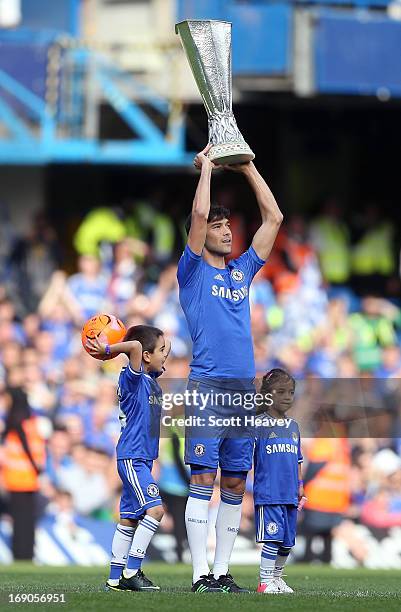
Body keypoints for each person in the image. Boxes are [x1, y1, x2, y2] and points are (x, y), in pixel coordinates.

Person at [177, 144, 283, 593]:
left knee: (236, 483)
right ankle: (200, 573)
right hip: (207, 389)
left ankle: (222, 573)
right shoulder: (193, 272)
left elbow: (274, 218)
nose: (225, 230)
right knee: (204, 478)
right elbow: (198, 216)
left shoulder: (242, 271)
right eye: (217, 227)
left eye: (227, 225)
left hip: (243, 393)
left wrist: (248, 167)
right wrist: (206, 170)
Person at [85, 325, 171, 592]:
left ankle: (114, 578)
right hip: (132, 456)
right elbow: (134, 346)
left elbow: (145, 351)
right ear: (146, 355)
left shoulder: (151, 380)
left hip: (141, 458)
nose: (166, 354)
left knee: (129, 519)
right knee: (156, 510)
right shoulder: (132, 378)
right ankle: (133, 570)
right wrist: (108, 349)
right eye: (162, 350)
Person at [253, 368, 304, 594]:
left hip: (290, 492)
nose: (287, 397)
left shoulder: (294, 426)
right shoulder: (258, 424)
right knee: (272, 538)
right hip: (269, 492)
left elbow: (298, 458)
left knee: (287, 542)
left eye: (291, 392)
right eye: (281, 391)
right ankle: (264, 582)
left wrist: (300, 485)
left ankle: (276, 578)